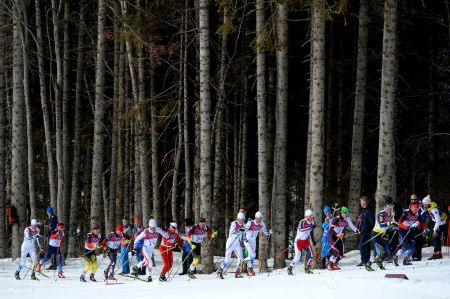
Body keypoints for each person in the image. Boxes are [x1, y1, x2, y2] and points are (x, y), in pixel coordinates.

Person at [327, 206, 359, 270]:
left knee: (341, 254)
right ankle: (329, 264)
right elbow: (330, 230)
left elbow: (352, 226)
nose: (347, 214)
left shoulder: (347, 219)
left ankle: (335, 264)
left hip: (339, 237)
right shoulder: (336, 219)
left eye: (348, 213)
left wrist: (356, 230)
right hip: (331, 236)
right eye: (346, 213)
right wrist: (337, 235)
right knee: (336, 252)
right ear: (342, 213)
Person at [368, 197, 396, 271]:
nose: (390, 209)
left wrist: (394, 227)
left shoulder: (392, 214)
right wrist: (390, 223)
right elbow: (381, 225)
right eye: (389, 207)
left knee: (388, 251)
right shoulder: (381, 213)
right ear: (385, 206)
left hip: (383, 234)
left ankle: (379, 261)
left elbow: (390, 227)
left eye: (391, 207)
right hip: (376, 234)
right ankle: (368, 264)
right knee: (378, 252)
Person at [218, 212, 246, 279]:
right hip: (230, 242)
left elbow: (242, 234)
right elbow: (231, 232)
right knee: (227, 259)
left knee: (241, 258)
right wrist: (239, 230)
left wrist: (242, 240)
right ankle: (221, 270)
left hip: (237, 243)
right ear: (237, 219)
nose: (242, 221)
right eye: (240, 220)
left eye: (243, 220)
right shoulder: (234, 223)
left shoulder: (243, 225)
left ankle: (237, 272)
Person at [287, 210, 316, 275]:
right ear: (307, 216)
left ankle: (307, 268)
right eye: (310, 216)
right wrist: (309, 227)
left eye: (312, 215)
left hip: (305, 241)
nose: (312, 217)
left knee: (311, 255)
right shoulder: (302, 221)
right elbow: (302, 229)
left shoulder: (312, 222)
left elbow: (310, 231)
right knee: (297, 258)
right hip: (299, 241)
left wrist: (313, 240)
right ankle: (290, 268)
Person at [243, 212, 270, 276]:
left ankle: (249, 268)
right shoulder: (251, 223)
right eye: (258, 219)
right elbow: (243, 230)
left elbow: (265, 232)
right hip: (247, 240)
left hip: (253, 241)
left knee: (252, 255)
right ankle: (248, 267)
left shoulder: (262, 223)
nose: (259, 220)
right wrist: (244, 238)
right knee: (252, 254)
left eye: (260, 219)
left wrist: (269, 232)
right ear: (255, 218)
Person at [422, 195, 446, 259]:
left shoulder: (434, 209)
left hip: (441, 223)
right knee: (435, 238)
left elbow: (438, 220)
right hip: (438, 223)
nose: (423, 205)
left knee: (435, 237)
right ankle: (437, 254)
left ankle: (437, 254)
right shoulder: (429, 208)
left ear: (427, 204)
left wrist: (434, 230)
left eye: (424, 204)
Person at [357, 196, 375, 268]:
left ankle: (364, 260)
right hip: (363, 231)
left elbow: (372, 222)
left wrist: (369, 230)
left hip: (367, 232)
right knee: (365, 246)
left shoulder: (369, 211)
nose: (360, 203)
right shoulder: (364, 210)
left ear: (365, 203)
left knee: (362, 246)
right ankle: (365, 260)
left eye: (361, 202)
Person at [408, 194, 426, 261]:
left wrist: (420, 224)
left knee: (418, 241)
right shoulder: (410, 206)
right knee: (412, 241)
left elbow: (424, 218)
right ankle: (413, 255)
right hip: (411, 226)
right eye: (412, 199)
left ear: (417, 199)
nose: (413, 201)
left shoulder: (420, 207)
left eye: (415, 199)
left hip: (418, 227)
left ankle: (418, 256)